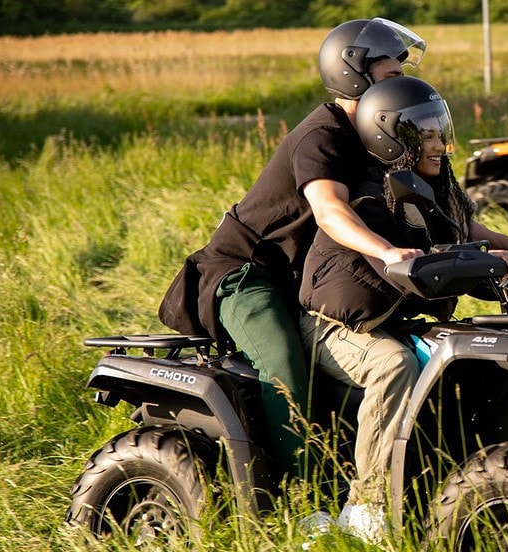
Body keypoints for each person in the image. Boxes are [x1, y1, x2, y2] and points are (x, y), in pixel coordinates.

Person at [157, 18, 428, 480]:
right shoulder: (322, 134)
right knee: (283, 363)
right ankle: (303, 498)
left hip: (305, 277)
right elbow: (329, 211)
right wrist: (387, 252)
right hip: (247, 273)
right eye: (390, 75)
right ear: (353, 74)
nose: (400, 83)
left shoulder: (373, 131)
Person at [298, 76, 508, 542]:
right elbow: (402, 251)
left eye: (440, 132)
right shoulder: (369, 196)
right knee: (392, 366)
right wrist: (391, 253)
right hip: (333, 326)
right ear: (391, 136)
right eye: (427, 135)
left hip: (392, 319)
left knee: (498, 348)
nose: (440, 144)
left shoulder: (434, 186)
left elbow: (462, 232)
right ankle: (366, 512)